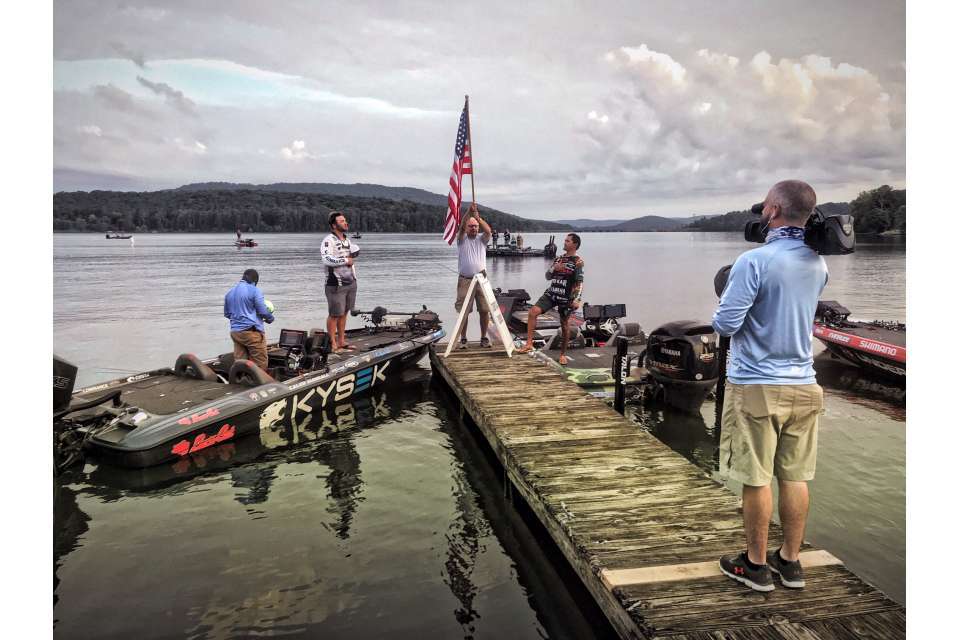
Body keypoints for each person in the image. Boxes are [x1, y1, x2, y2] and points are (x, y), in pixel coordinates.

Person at [712, 180, 828, 593]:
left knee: (757, 478)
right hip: (805, 384)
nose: (761, 210)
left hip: (757, 384)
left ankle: (756, 566)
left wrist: (725, 300)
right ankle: (791, 563)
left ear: (775, 209)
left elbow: (726, 323)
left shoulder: (754, 261)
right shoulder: (819, 264)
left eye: (765, 205)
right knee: (795, 477)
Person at [515, 233, 583, 364]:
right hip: (552, 294)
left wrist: (577, 299)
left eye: (567, 241)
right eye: (565, 240)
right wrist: (553, 268)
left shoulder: (578, 262)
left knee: (564, 325)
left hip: (566, 297)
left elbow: (579, 282)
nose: (564, 243)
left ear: (574, 244)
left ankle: (563, 354)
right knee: (533, 312)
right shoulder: (559, 259)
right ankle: (529, 344)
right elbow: (547, 276)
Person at [455, 202, 492, 349]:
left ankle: (483, 338)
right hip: (465, 280)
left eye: (476, 226)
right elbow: (461, 226)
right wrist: (468, 214)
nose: (474, 228)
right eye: (471, 226)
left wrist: (478, 217)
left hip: (481, 280)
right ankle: (463, 339)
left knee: (484, 310)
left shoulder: (482, 240)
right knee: (464, 311)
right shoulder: (461, 239)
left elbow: (488, 231)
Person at [321, 211, 360, 351]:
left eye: (345, 220)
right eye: (342, 221)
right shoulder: (328, 240)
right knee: (334, 314)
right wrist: (345, 260)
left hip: (350, 282)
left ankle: (341, 340)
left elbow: (351, 256)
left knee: (344, 312)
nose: (346, 223)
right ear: (334, 225)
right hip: (335, 283)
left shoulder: (347, 240)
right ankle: (332, 343)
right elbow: (326, 259)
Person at [224, 268, 275, 371]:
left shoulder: (230, 293)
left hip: (236, 333)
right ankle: (260, 386)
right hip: (251, 334)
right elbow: (263, 311)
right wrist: (270, 318)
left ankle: (242, 383)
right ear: (255, 281)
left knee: (240, 363)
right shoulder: (255, 291)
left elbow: (227, 314)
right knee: (260, 363)